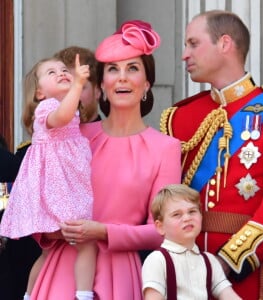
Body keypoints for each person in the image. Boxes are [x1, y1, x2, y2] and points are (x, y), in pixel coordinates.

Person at [26, 20, 182, 300]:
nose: (122, 77)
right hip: (63, 270)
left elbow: (162, 230)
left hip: (119, 273)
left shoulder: (166, 148)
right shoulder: (73, 137)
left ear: (146, 84)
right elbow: (37, 201)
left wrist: (102, 231)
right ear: (103, 84)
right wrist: (57, 232)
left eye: (132, 68)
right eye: (113, 69)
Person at [160, 9, 263, 300]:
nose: (184, 54)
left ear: (225, 44)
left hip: (245, 270)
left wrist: (228, 261)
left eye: (193, 44)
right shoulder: (180, 117)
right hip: (184, 264)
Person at [0, 55, 97, 300]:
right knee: (86, 242)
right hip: (57, 192)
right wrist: (77, 85)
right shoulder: (49, 107)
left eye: (64, 70)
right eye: (51, 73)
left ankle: (30, 295)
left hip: (62, 188)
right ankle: (83, 295)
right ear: (40, 92)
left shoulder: (67, 108)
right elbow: (61, 118)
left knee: (47, 252)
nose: (61, 74)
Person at [142, 184, 242, 300]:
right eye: (176, 214)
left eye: (192, 211)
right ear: (160, 227)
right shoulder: (157, 260)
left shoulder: (209, 261)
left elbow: (228, 295)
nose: (187, 218)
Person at [54, 45, 102, 123]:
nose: (71, 95)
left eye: (79, 86)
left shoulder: (114, 134)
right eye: (62, 87)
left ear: (98, 90)